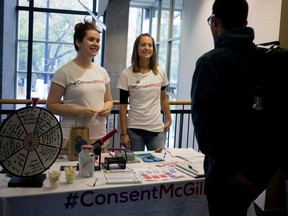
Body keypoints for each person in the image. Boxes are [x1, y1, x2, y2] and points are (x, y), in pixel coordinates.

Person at [191, 0, 285, 215]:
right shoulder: (267, 59)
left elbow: (206, 132)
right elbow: (276, 122)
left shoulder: (211, 63)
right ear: (245, 22)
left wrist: (234, 173)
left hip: (226, 176)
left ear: (215, 21)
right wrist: (258, 175)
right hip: (258, 175)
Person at [46, 18, 113, 155]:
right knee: (71, 175)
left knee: (99, 176)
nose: (96, 44)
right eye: (91, 40)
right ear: (78, 42)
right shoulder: (64, 72)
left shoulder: (102, 72)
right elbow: (51, 105)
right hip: (73, 138)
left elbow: (108, 100)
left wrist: (107, 108)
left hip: (99, 137)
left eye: (98, 41)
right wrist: (78, 112)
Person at [116, 33, 172, 151]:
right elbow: (123, 106)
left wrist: (169, 118)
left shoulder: (160, 71)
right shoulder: (127, 74)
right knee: (135, 166)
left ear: (153, 49)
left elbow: (163, 99)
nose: (147, 48)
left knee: (159, 165)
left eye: (150, 45)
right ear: (137, 48)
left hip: (156, 130)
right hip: (134, 130)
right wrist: (123, 133)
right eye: (143, 45)